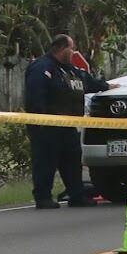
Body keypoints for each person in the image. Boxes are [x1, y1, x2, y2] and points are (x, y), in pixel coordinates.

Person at [24, 34, 115, 209]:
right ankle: (43, 197)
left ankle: (77, 195)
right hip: (47, 126)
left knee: (72, 162)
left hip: (68, 126)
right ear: (61, 49)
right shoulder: (42, 67)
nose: (73, 52)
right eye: (71, 48)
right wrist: (39, 121)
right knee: (45, 162)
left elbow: (88, 82)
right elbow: (35, 97)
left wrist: (107, 86)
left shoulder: (70, 71)